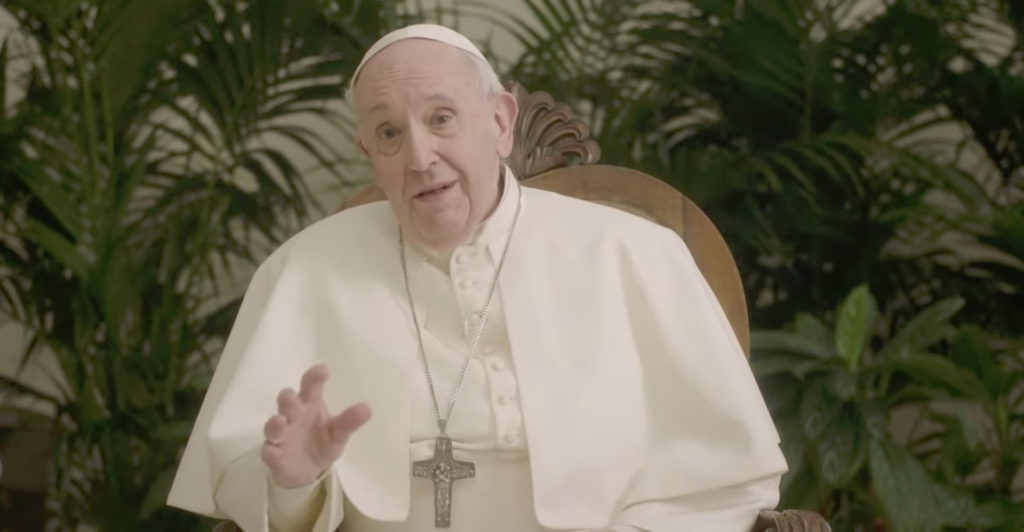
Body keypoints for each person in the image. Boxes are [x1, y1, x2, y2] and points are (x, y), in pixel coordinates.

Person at [167, 23, 788, 532]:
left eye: (441, 118)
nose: (420, 157)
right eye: (389, 133)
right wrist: (296, 485)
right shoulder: (303, 270)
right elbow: (252, 490)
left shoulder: (633, 253)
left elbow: (723, 479)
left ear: (499, 122)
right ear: (368, 154)